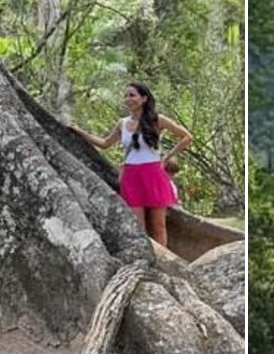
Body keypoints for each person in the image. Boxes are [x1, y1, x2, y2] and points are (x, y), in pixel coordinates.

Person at [66, 82, 192, 246]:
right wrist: (80, 132)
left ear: (144, 98)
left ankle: (165, 263)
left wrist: (167, 157)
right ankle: (146, 263)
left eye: (132, 95)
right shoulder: (122, 123)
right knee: (138, 228)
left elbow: (187, 137)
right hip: (131, 176)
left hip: (153, 174)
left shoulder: (157, 119)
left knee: (158, 226)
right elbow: (105, 143)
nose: (128, 99)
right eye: (125, 96)